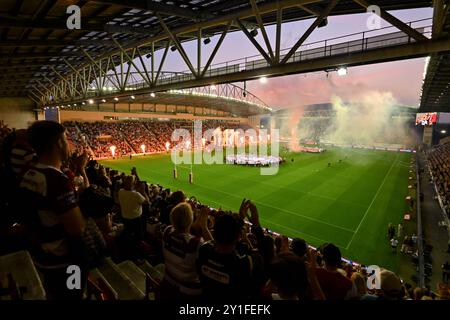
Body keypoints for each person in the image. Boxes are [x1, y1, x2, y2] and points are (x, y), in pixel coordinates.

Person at [19, 121, 87, 299]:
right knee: (73, 295)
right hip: (64, 260)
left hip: (43, 254)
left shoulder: (30, 173)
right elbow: (77, 227)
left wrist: (80, 170)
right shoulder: (56, 180)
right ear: (58, 143)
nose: (69, 144)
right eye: (66, 139)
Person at [160, 203, 212, 299]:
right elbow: (214, 251)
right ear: (190, 221)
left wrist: (198, 221)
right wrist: (204, 226)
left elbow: (184, 232)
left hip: (168, 278)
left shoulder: (167, 231)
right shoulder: (196, 243)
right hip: (189, 290)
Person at [118, 175, 149, 242]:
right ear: (133, 184)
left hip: (125, 217)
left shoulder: (120, 191)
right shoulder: (136, 195)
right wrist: (143, 191)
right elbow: (147, 202)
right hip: (136, 219)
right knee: (139, 235)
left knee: (128, 231)